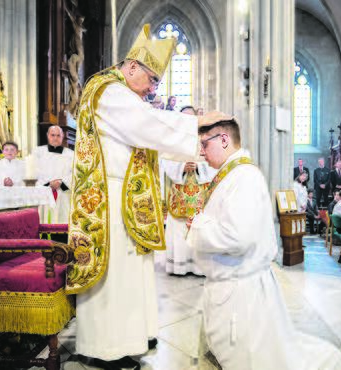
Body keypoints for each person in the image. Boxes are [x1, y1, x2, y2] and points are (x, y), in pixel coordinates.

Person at [66, 24, 231, 368]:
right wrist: (198, 124)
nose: (154, 88)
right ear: (131, 68)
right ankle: (104, 348)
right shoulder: (110, 92)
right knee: (114, 275)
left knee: (131, 272)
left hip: (122, 194)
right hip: (108, 198)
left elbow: (146, 136)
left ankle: (129, 339)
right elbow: (147, 126)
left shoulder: (119, 91)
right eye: (152, 79)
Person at [187, 119, 341, 370]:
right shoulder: (231, 174)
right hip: (230, 285)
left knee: (252, 360)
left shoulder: (245, 177)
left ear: (223, 140)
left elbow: (238, 236)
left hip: (241, 293)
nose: (201, 151)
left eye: (204, 144)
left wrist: (197, 226)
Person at [162, 105, 217, 276]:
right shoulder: (173, 139)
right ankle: (179, 266)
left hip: (200, 192)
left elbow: (214, 163)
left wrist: (200, 167)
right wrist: (182, 168)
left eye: (190, 117)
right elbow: (165, 161)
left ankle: (198, 267)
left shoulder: (205, 139)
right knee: (179, 229)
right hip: (179, 191)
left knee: (197, 227)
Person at [32, 126, 74, 224]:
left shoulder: (71, 154)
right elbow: (33, 172)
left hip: (63, 195)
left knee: (63, 222)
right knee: (44, 223)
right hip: (44, 193)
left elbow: (75, 173)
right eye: (53, 135)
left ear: (63, 136)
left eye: (58, 135)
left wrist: (61, 183)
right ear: (48, 136)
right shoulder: (38, 152)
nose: (55, 138)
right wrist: (48, 184)